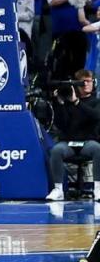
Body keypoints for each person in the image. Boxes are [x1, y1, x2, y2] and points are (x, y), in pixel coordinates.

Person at [45, 70, 100, 202]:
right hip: (69, 143)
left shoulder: (96, 101)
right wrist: (60, 103)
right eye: (82, 82)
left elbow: (95, 116)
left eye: (88, 81)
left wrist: (77, 102)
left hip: (88, 142)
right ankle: (58, 189)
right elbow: (62, 124)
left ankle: (97, 188)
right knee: (56, 150)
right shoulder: (68, 101)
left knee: (98, 149)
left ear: (94, 83)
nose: (86, 84)